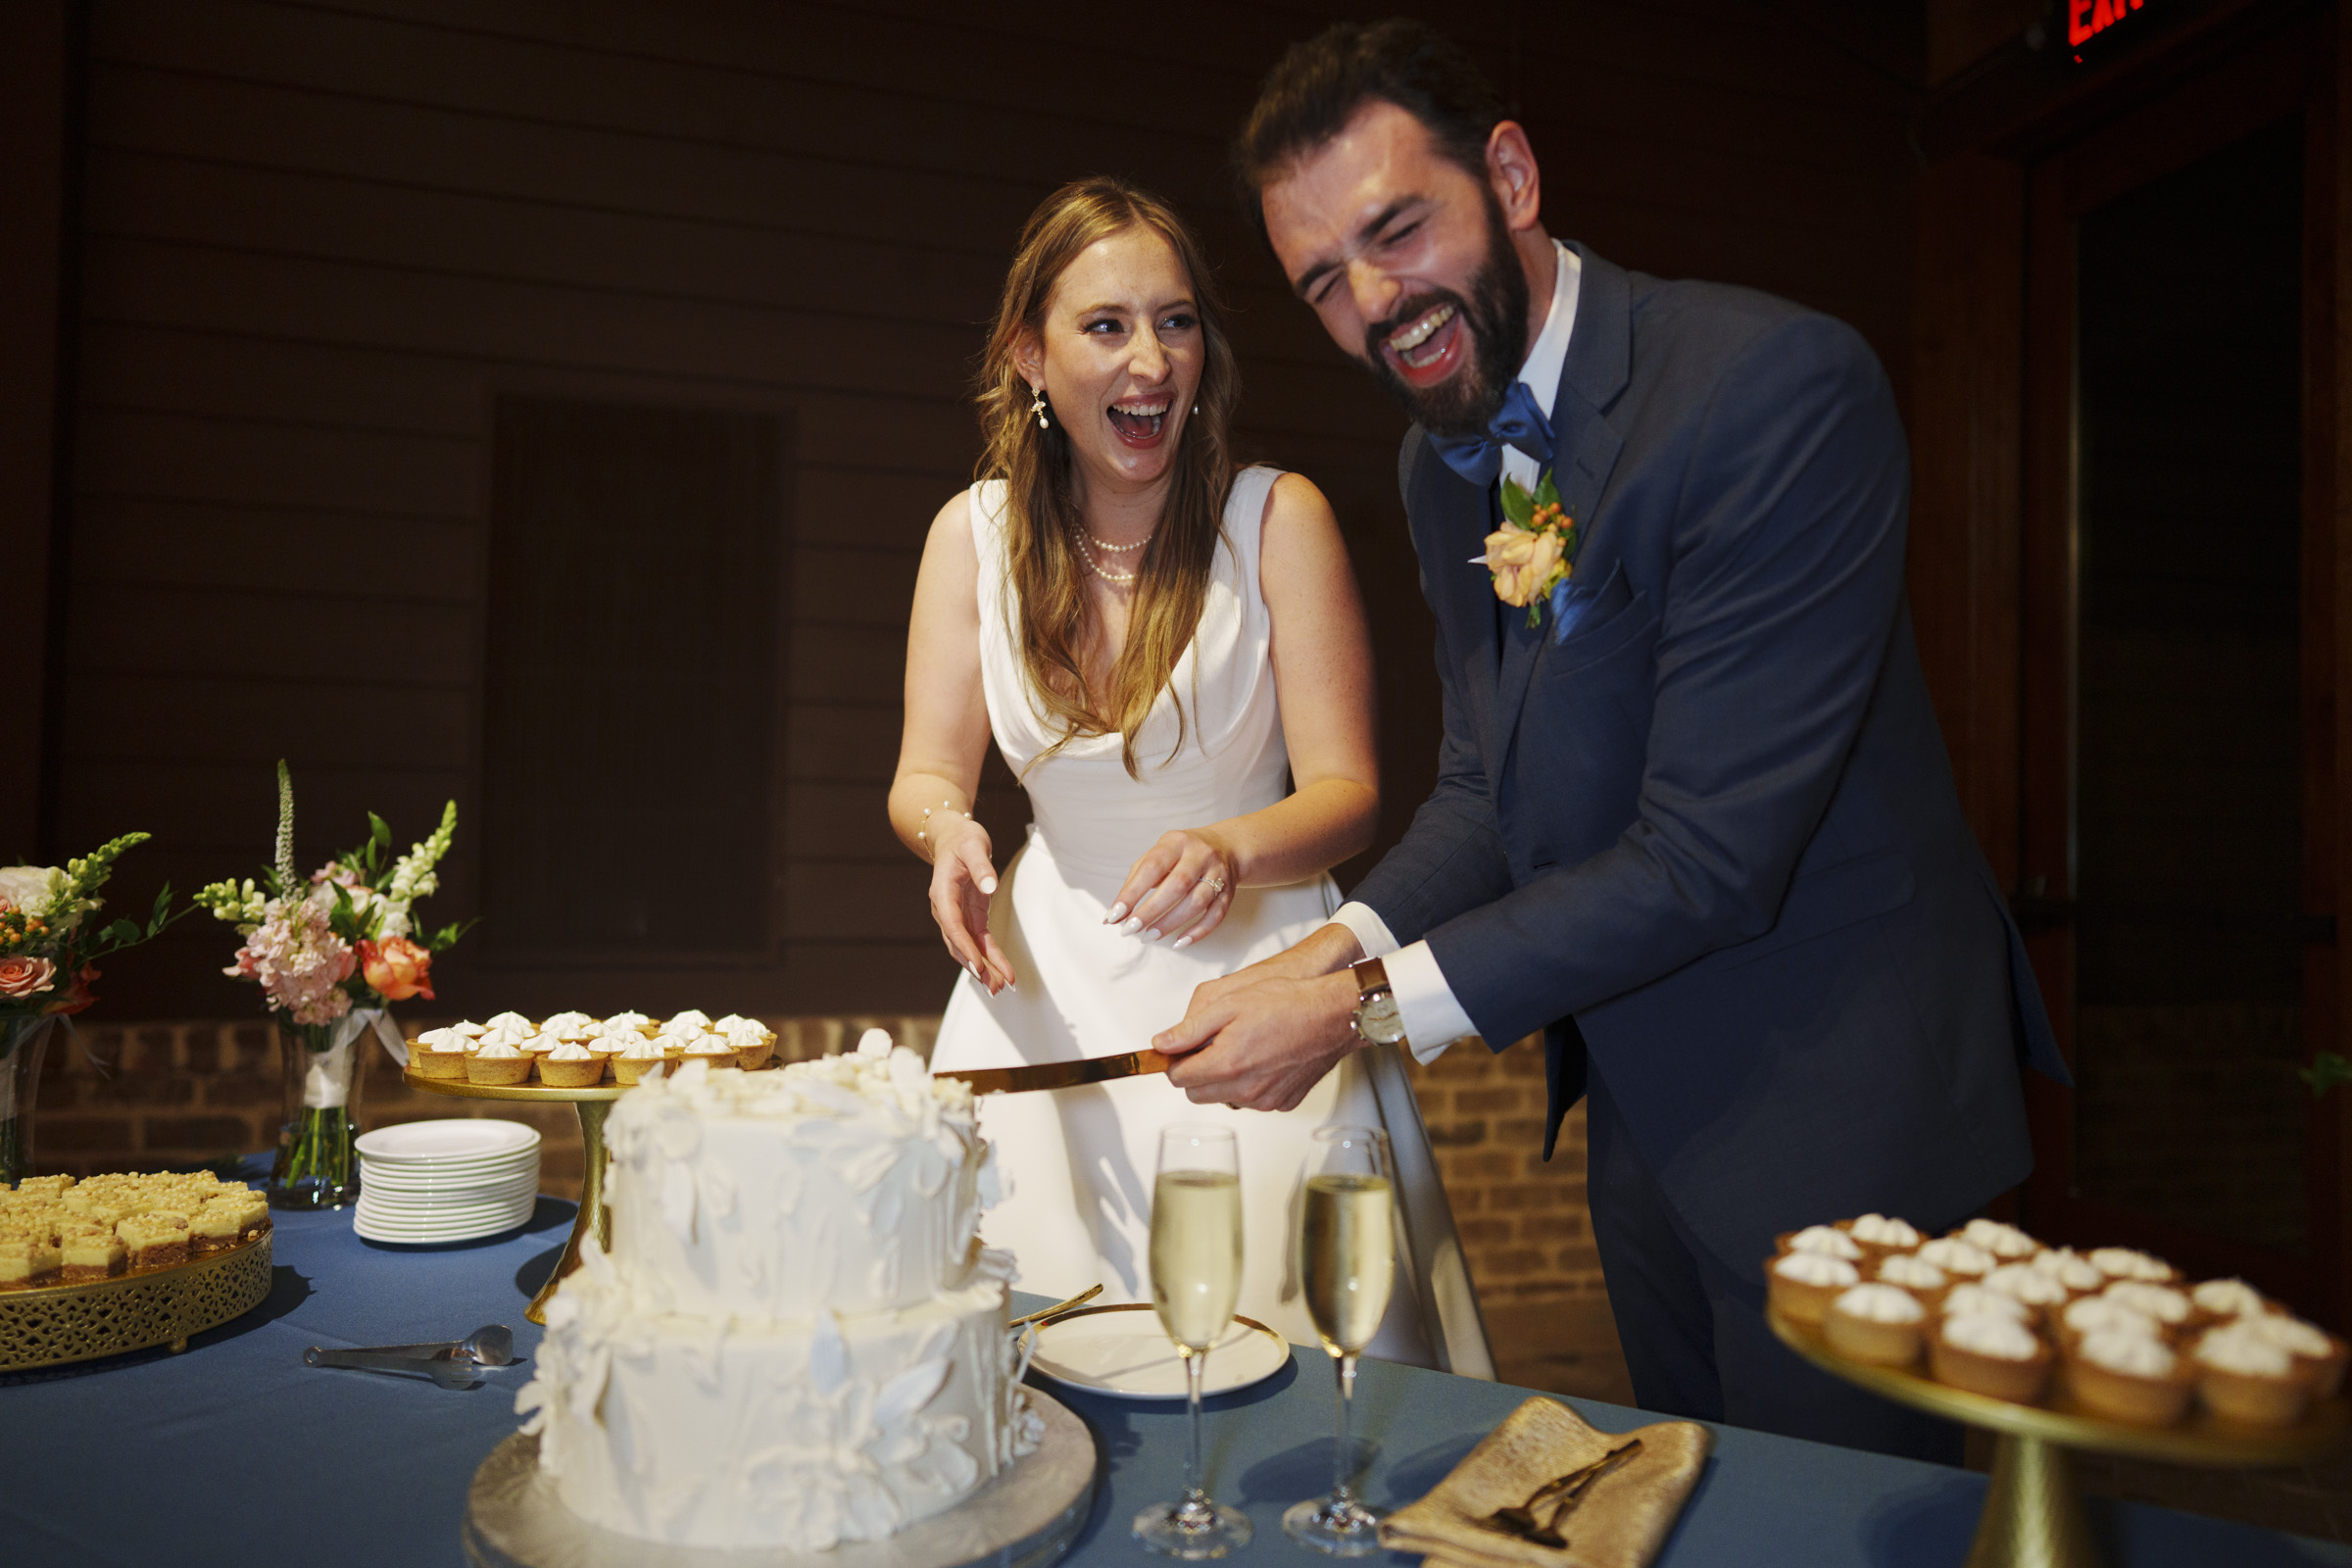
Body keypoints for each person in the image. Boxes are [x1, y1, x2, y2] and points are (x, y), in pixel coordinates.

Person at [1155, 22, 2066, 1459]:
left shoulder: (1772, 389)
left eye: (1399, 231)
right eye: (1324, 280)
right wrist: (1327, 948)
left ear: (1508, 175)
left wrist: (1363, 1009)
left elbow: (1709, 858)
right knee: (1691, 1503)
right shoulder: (1437, 457)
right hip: (1649, 1119)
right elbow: (1485, 785)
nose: (1376, 303)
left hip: (1846, 1122)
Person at [892, 175, 1491, 1373]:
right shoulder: (972, 536)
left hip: (1258, 985)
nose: (1151, 360)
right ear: (1028, 353)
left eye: (1176, 322)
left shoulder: (1278, 517)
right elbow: (924, 773)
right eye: (1106, 325)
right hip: (1043, 998)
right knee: (1029, 1365)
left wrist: (1231, 848)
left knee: (1287, 1350)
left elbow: (1349, 793)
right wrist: (947, 832)